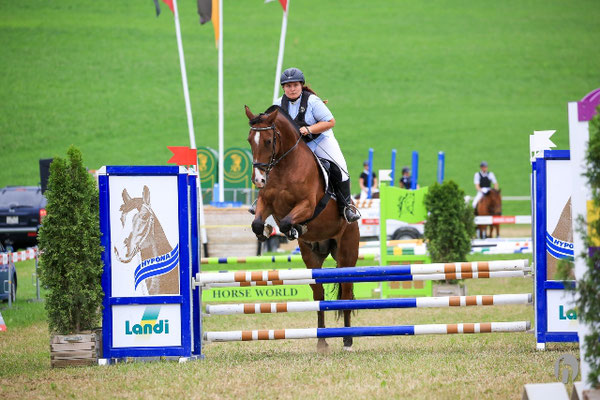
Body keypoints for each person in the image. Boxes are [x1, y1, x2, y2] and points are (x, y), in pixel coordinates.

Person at [274, 67, 360, 223]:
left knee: (340, 168)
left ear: (301, 85)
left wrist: (310, 129)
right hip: (297, 146)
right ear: (283, 88)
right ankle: (264, 199)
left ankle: (346, 207)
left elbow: (330, 122)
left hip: (320, 139)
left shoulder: (312, 101)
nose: (292, 89)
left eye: (295, 85)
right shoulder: (278, 104)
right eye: (288, 86)